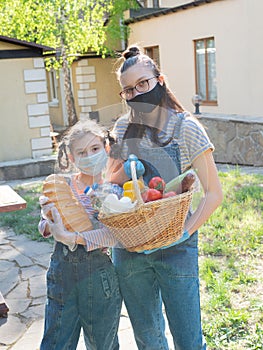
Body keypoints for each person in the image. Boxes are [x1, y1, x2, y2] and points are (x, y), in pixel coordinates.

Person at [106, 46, 224, 350]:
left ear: (159, 80)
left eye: (143, 84)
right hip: (130, 248)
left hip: (176, 250)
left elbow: (213, 194)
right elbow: (112, 183)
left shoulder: (186, 128)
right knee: (148, 340)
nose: (136, 94)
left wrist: (184, 233)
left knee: (188, 341)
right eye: (128, 90)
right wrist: (120, 173)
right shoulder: (121, 128)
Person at [38, 119, 122, 350]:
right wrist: (48, 224)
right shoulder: (62, 187)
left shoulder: (113, 190)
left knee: (102, 344)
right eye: (82, 152)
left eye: (95, 149)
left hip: (98, 275)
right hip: (62, 272)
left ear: (106, 149)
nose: (90, 156)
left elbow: (114, 236)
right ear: (72, 158)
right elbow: (45, 223)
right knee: (56, 342)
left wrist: (72, 237)